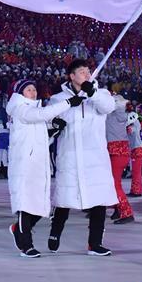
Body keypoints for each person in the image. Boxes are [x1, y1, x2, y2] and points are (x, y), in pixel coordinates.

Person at [48, 59, 118, 256]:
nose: (87, 75)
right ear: (71, 76)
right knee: (65, 198)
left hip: (95, 156)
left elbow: (108, 107)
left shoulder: (100, 94)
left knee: (98, 200)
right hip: (70, 155)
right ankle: (55, 233)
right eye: (81, 72)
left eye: (88, 71)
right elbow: (52, 121)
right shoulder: (58, 98)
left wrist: (92, 93)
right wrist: (56, 123)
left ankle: (94, 244)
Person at [6, 79, 75, 258]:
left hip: (38, 165)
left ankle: (17, 230)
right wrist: (67, 103)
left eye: (34, 89)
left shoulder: (34, 111)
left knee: (39, 205)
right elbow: (40, 115)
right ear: (20, 94)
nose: (33, 92)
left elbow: (40, 135)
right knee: (25, 204)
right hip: (23, 165)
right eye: (28, 90)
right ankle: (25, 245)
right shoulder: (19, 109)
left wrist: (52, 130)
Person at [104, 97, 136, 224]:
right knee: (113, 183)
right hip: (115, 151)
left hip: (118, 152)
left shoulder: (119, 113)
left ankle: (126, 212)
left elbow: (121, 108)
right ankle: (118, 208)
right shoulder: (111, 115)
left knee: (114, 184)